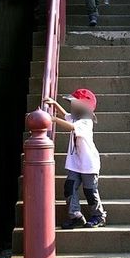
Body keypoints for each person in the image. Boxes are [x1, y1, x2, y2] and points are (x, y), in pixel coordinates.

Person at [44, 89, 106, 229]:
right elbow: (65, 116)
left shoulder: (86, 121)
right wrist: (54, 104)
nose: (72, 106)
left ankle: (99, 215)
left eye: (75, 104)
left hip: (89, 163)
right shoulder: (76, 117)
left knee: (90, 190)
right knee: (69, 187)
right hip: (76, 163)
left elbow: (71, 126)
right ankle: (75, 215)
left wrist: (53, 119)